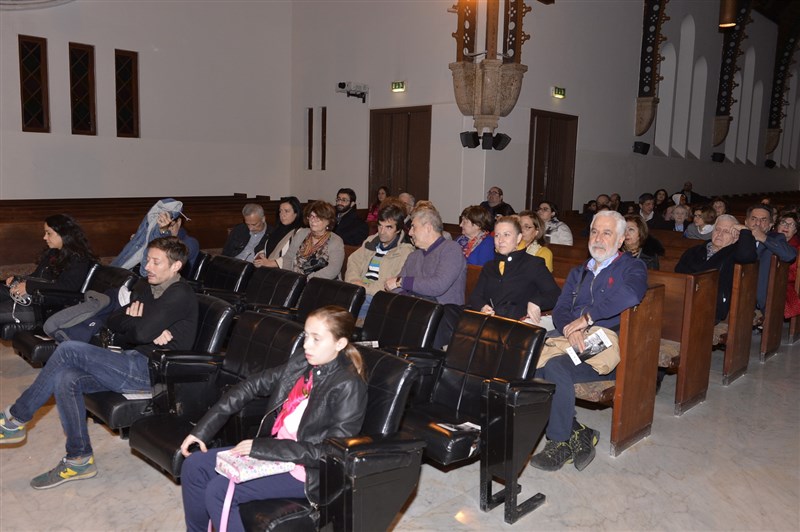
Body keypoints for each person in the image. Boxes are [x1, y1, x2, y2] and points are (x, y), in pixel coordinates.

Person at [0, 237, 198, 489]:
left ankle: (16, 418)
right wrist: (145, 324)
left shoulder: (179, 294)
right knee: (66, 377)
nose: (147, 266)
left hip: (153, 372)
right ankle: (78, 458)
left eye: (156, 262)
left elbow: (138, 334)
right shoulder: (148, 287)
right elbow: (114, 320)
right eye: (147, 259)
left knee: (70, 349)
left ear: (176, 266)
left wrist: (142, 324)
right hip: (132, 360)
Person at [179, 306, 367, 532]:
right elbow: (251, 386)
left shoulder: (348, 386)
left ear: (340, 343)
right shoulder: (303, 361)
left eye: (316, 339)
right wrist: (202, 431)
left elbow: (330, 453)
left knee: (218, 491)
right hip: (278, 454)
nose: (306, 345)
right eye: (306, 336)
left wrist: (263, 449)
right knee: (194, 465)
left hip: (307, 472)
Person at [530, 210, 647, 472]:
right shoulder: (579, 271)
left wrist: (587, 319)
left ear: (620, 240)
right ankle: (578, 431)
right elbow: (560, 308)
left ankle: (558, 442)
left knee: (556, 368)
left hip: (605, 340)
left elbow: (630, 294)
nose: (598, 238)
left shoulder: (632, 267)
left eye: (607, 233)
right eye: (594, 232)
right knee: (524, 360)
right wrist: (570, 330)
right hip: (571, 336)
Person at [1, 214, 96, 332]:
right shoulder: (54, 253)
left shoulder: (79, 259)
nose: (44, 237)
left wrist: (29, 287)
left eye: (48, 233)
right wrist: (19, 279)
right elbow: (37, 277)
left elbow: (68, 287)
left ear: (64, 234)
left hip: (45, 308)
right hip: (33, 299)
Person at [675, 215, 757, 323]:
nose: (720, 234)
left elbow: (747, 256)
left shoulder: (735, 254)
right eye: (717, 229)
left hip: (712, 306)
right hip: (684, 298)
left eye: (726, 231)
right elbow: (678, 274)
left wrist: (745, 231)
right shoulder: (694, 251)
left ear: (736, 236)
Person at [345, 202, 414, 320]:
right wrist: (354, 281)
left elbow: (390, 284)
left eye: (388, 227)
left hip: (377, 298)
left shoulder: (405, 251)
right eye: (380, 225)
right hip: (357, 290)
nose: (382, 231)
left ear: (398, 230)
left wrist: (364, 288)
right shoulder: (371, 241)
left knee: (346, 318)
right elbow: (353, 262)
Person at [385, 205, 466, 305]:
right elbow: (394, 286)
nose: (410, 233)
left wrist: (401, 282)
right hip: (415, 309)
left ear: (428, 228)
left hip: (442, 312)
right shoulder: (413, 256)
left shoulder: (451, 249)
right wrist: (406, 298)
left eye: (413, 227)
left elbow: (438, 286)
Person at [111, 198, 195, 276]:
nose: (166, 228)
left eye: (170, 225)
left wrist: (163, 232)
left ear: (179, 222)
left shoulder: (191, 242)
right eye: (159, 225)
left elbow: (170, 257)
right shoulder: (154, 235)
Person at [744, 204, 798, 312]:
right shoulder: (736, 236)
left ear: (770, 225)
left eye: (763, 220)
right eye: (754, 219)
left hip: (758, 299)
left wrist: (763, 238)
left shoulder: (776, 239)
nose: (758, 223)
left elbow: (790, 255)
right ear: (746, 222)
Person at [281, 201, 344, 280]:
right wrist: (289, 277)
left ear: (328, 221)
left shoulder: (336, 241)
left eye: (318, 217)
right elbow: (288, 257)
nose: (313, 220)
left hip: (322, 284)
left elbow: (333, 269)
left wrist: (307, 280)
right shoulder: (302, 234)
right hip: (295, 280)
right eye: (311, 216)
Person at [252, 197, 303, 269]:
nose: (282, 214)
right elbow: (265, 247)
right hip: (266, 269)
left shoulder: (300, 232)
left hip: (283, 272)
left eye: (286, 211)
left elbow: (295, 257)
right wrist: (261, 256)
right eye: (280, 211)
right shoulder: (276, 229)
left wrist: (271, 263)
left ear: (296, 213)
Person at [775, 212, 800, 319]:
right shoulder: (767, 240)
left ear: (795, 231)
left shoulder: (796, 247)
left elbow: (794, 274)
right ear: (776, 226)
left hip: (786, 282)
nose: (786, 226)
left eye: (791, 224)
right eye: (783, 222)